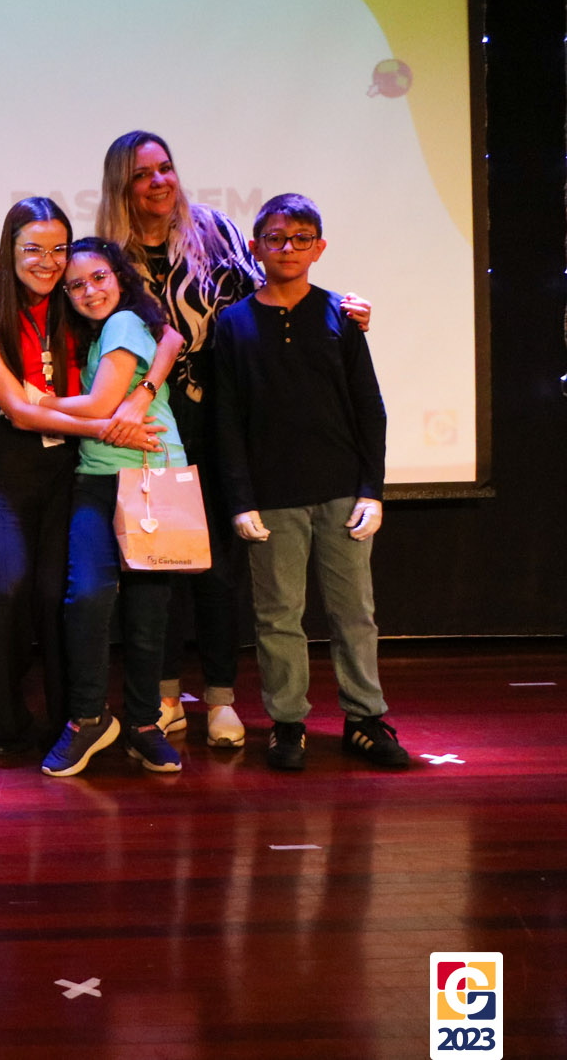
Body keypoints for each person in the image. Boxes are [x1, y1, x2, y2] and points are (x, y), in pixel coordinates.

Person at [97, 131, 370, 746]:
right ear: (121, 185)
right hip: (149, 419)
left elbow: (271, 300)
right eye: (141, 174)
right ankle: (165, 695)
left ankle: (221, 697)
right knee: (158, 563)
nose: (158, 182)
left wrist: (347, 313)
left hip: (220, 408)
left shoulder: (215, 230)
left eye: (165, 168)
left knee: (219, 567)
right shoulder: (111, 254)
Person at [0, 199, 171, 752]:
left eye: (58, 249)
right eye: (34, 249)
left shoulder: (75, 299)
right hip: (8, 467)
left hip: (66, 468)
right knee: (9, 586)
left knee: (57, 594)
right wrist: (109, 428)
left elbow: (169, 335)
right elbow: (21, 412)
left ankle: (69, 720)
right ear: (10, 249)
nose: (48, 261)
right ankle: (2, 722)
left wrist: (142, 394)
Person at [212, 194, 407, 772]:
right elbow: (227, 420)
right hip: (272, 497)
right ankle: (288, 722)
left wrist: (372, 490)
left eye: (301, 239)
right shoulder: (234, 323)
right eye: (276, 238)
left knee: (354, 613)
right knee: (278, 616)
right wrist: (241, 500)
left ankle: (365, 718)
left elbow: (369, 408)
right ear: (256, 247)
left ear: (319, 248)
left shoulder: (339, 315)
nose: (288, 248)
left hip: (343, 492)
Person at [18, 238, 187, 778]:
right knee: (88, 596)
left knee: (146, 609)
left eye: (99, 278)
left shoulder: (122, 323)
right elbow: (170, 340)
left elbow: (100, 404)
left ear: (120, 277)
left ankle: (143, 724)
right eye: (75, 285)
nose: (89, 291)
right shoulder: (108, 332)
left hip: (149, 475)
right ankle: (90, 718)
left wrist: (34, 402)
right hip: (97, 475)